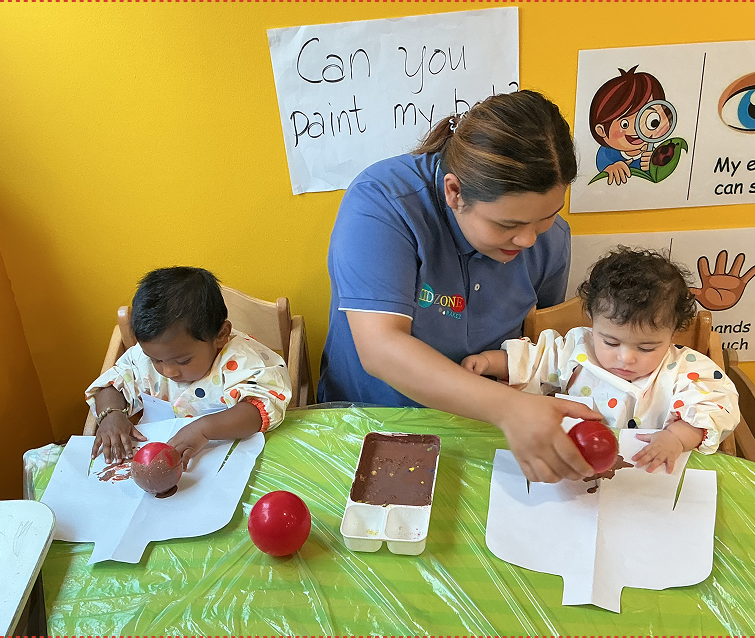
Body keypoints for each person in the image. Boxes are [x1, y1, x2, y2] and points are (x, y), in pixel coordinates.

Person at [319, 89, 603, 484]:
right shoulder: (383, 202)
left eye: (546, 217)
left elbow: (538, 345)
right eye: (506, 225)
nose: (528, 240)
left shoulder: (550, 240)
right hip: (370, 419)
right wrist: (510, 409)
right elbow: (381, 348)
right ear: (454, 192)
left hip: (481, 426)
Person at [462, 247, 740, 474]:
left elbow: (713, 408)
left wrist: (676, 438)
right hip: (572, 463)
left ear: (673, 332)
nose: (626, 358)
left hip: (647, 469)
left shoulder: (685, 370)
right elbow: (532, 361)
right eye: (610, 342)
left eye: (646, 347)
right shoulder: (576, 350)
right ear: (592, 321)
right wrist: (487, 362)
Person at [86, 267, 292, 469]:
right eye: (156, 360)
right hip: (168, 461)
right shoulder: (148, 355)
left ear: (221, 336)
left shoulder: (241, 359)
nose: (168, 372)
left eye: (183, 361)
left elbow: (259, 408)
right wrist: (111, 415)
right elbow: (113, 385)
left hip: (232, 462)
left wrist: (204, 429)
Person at [589, 66, 669, 186]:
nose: (637, 129)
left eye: (650, 120)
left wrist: (655, 165)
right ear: (601, 131)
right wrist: (611, 169)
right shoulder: (606, 153)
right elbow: (601, 172)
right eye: (625, 124)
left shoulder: (658, 152)